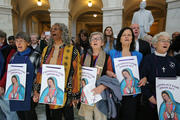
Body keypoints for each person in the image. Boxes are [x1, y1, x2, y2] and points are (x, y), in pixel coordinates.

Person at [33, 23, 81, 120]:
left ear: (63, 32)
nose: (52, 31)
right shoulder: (46, 50)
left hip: (66, 92)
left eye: (56, 29)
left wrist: (75, 94)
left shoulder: (72, 50)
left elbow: (77, 72)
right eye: (51, 30)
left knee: (68, 117)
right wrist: (37, 90)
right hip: (49, 91)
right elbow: (41, 70)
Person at [140, 32, 180, 120]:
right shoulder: (147, 59)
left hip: (171, 102)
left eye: (168, 41)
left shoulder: (174, 61)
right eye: (162, 41)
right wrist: (150, 97)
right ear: (155, 44)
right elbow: (141, 80)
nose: (166, 43)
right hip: (152, 101)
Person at [109, 27, 146, 120]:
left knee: (129, 116)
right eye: (124, 35)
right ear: (120, 38)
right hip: (116, 91)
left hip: (132, 94)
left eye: (129, 35)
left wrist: (144, 78)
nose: (126, 37)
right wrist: (109, 73)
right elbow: (107, 69)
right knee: (115, 116)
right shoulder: (112, 53)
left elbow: (142, 72)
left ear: (132, 38)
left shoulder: (138, 55)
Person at [79, 32, 115, 120]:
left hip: (100, 94)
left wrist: (103, 86)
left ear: (102, 43)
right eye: (92, 39)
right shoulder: (84, 57)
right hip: (86, 94)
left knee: (100, 117)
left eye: (98, 38)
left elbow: (110, 77)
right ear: (90, 42)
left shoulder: (107, 57)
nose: (95, 40)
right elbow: (79, 73)